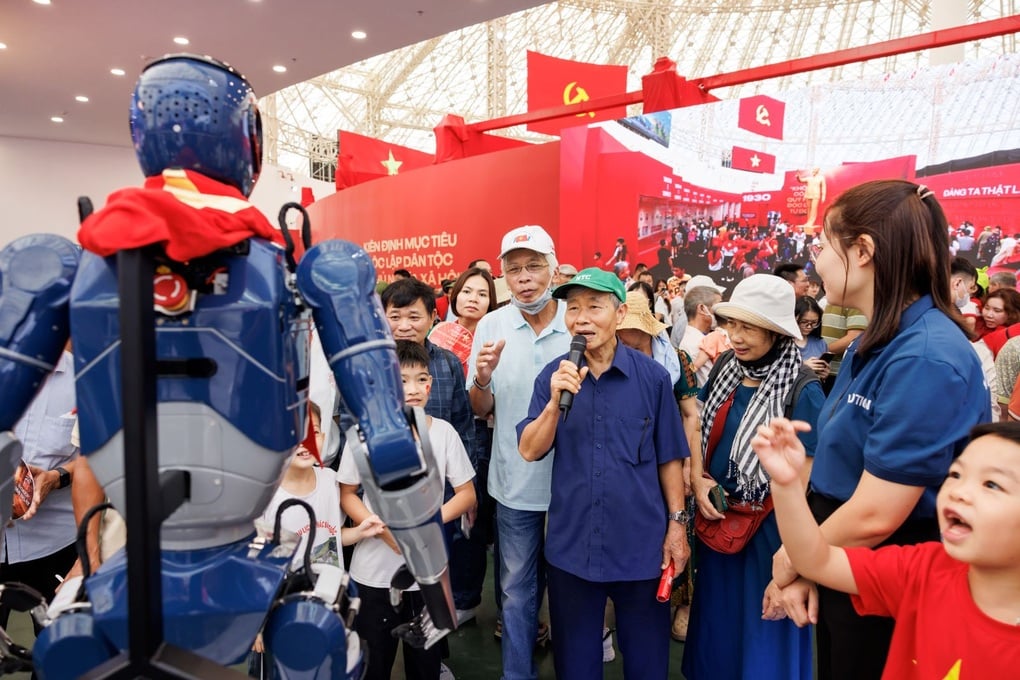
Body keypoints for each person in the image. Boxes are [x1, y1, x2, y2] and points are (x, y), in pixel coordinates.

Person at [774, 180, 990, 680]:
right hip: (844, 561)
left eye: (824, 246)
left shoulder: (926, 356)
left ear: (864, 250)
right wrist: (818, 564)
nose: (817, 262)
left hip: (884, 576)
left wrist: (798, 560)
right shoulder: (874, 341)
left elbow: (876, 513)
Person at [518, 268, 690, 680]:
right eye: (573, 308)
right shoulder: (553, 377)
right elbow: (529, 449)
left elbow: (669, 457)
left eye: (594, 307)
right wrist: (553, 402)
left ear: (619, 313)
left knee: (647, 663)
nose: (581, 318)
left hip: (641, 548)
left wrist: (677, 526)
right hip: (573, 548)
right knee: (575, 666)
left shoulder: (652, 378)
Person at [752, 419, 1020, 679]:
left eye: (992, 484)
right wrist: (786, 485)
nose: (959, 491)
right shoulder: (922, 569)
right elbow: (816, 561)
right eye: (956, 474)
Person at [682, 275, 824, 680]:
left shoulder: (802, 389)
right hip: (719, 521)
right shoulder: (728, 365)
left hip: (770, 535)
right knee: (718, 629)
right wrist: (698, 477)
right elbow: (698, 422)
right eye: (732, 324)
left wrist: (792, 559)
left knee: (764, 630)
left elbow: (807, 483)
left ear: (776, 332)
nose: (736, 337)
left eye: (749, 327)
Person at [339, 341, 476, 680]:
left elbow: (467, 494)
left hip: (428, 576)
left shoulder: (443, 433)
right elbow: (347, 494)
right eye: (402, 380)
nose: (414, 390)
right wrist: (382, 530)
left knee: (425, 667)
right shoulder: (364, 435)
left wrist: (426, 525)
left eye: (422, 379)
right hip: (372, 575)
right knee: (373, 665)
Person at [467, 225, 568, 679]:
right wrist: (483, 377)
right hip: (514, 480)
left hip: (574, 481)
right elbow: (480, 407)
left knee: (572, 588)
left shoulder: (577, 318)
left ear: (552, 266)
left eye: (533, 266)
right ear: (503, 277)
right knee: (514, 589)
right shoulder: (491, 325)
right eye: (514, 270)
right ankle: (516, 674)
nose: (524, 277)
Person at [250, 403, 384, 674]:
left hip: (328, 609)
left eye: (314, 432)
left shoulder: (331, 482)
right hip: (281, 614)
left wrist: (359, 532)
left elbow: (331, 538)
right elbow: (254, 569)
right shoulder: (266, 497)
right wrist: (256, 625)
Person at [428, 266, 497, 623]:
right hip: (440, 433)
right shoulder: (437, 335)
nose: (474, 299)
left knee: (471, 517)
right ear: (455, 296)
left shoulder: (494, 337)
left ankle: (467, 599)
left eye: (482, 294)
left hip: (479, 434)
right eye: (468, 291)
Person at [1, 347, 79, 639]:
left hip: (57, 545)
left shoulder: (83, 376)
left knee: (64, 655)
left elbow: (102, 454)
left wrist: (54, 478)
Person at [795, 295, 831, 380]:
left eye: (814, 322)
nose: (809, 326)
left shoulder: (820, 343)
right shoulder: (785, 342)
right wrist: (803, 367)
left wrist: (824, 374)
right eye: (804, 322)